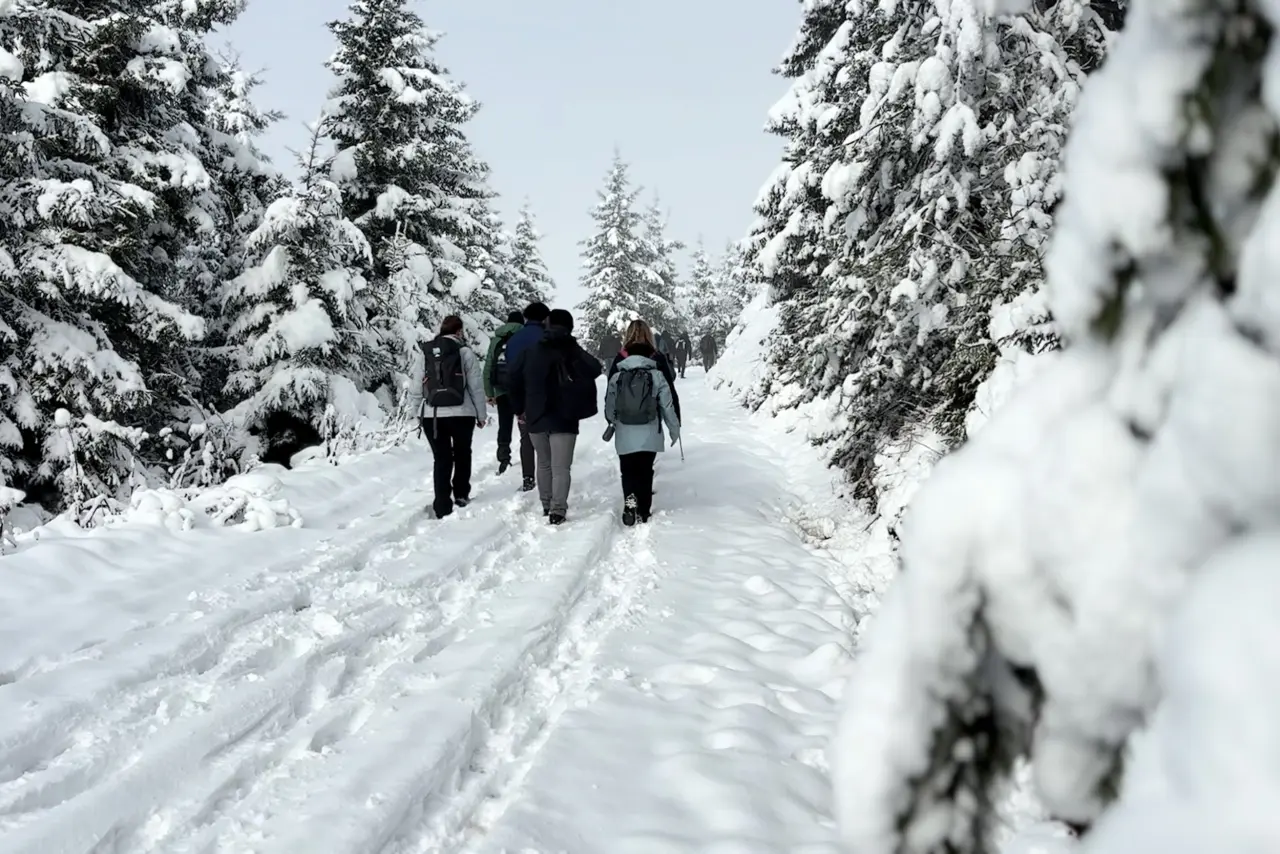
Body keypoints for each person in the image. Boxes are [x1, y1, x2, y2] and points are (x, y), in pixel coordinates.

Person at [508, 308, 603, 525]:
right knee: (561, 467)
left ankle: (546, 503)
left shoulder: (530, 351)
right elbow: (595, 368)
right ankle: (557, 509)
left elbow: (513, 379)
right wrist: (573, 348)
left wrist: (519, 408)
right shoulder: (572, 350)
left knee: (543, 463)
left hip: (535, 414)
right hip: (565, 415)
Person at [408, 315, 487, 519]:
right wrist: (481, 414)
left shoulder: (425, 353)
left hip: (432, 415)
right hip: (462, 413)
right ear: (459, 331)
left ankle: (442, 504)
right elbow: (476, 386)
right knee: (462, 454)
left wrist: (416, 412)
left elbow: (417, 385)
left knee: (441, 459)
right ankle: (461, 494)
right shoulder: (465, 353)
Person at [604, 340, 681, 526]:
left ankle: (630, 503)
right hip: (649, 433)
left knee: (628, 471)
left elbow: (609, 406)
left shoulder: (617, 377)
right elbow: (667, 406)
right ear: (649, 355)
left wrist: (613, 423)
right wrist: (674, 429)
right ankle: (644, 511)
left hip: (625, 432)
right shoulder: (657, 376)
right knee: (645, 471)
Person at [501, 301, 552, 492]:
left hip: (523, 396)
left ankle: (528, 476)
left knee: (526, 438)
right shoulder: (547, 337)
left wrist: (517, 405)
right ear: (545, 318)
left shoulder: (514, 340)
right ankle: (548, 475)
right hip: (547, 395)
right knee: (548, 437)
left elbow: (511, 372)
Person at [484, 310, 532, 479]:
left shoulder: (497, 340)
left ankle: (504, 457)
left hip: (501, 391)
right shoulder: (524, 337)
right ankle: (528, 456)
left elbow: (489, 365)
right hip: (522, 390)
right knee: (525, 426)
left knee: (504, 425)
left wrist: (489, 392)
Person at [608, 320, 681, 424]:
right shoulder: (657, 357)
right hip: (652, 422)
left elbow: (610, 391)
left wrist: (610, 420)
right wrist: (676, 420)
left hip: (623, 423)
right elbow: (670, 390)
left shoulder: (620, 358)